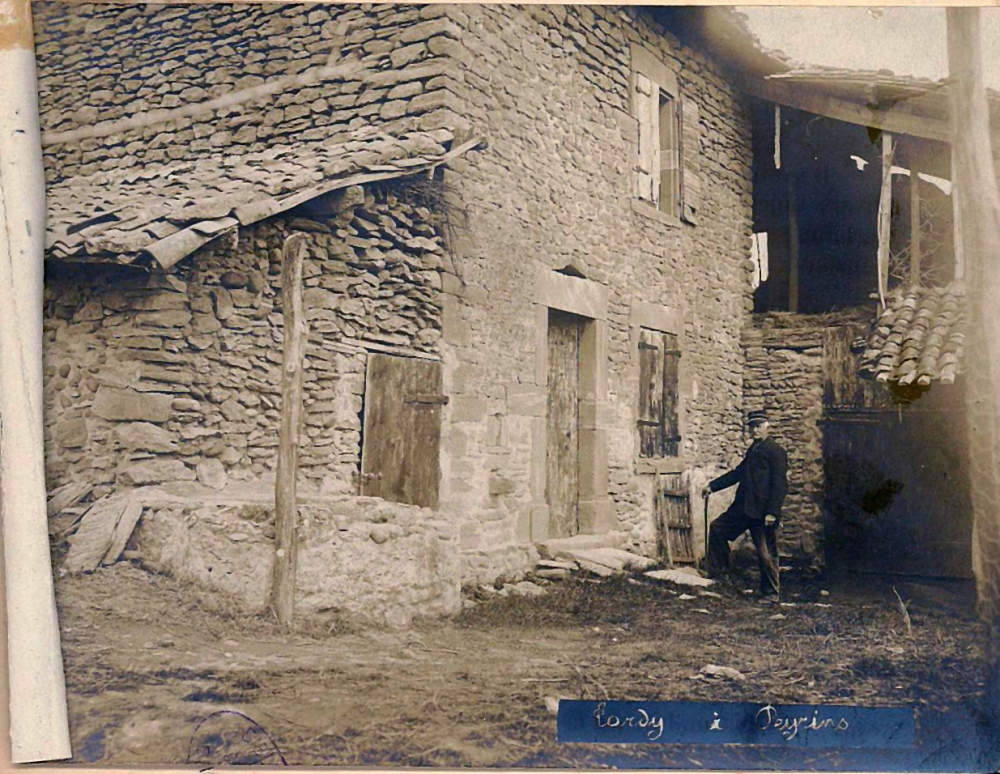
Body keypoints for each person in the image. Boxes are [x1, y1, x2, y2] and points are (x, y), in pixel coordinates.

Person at [700, 410, 788, 601]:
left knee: (766, 555)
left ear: (767, 426)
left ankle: (771, 593)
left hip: (762, 513)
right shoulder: (753, 450)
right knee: (718, 528)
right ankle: (720, 576)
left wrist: (772, 512)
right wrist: (712, 486)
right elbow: (737, 473)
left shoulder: (775, 451)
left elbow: (780, 484)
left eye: (758, 426)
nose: (754, 430)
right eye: (751, 426)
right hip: (743, 509)